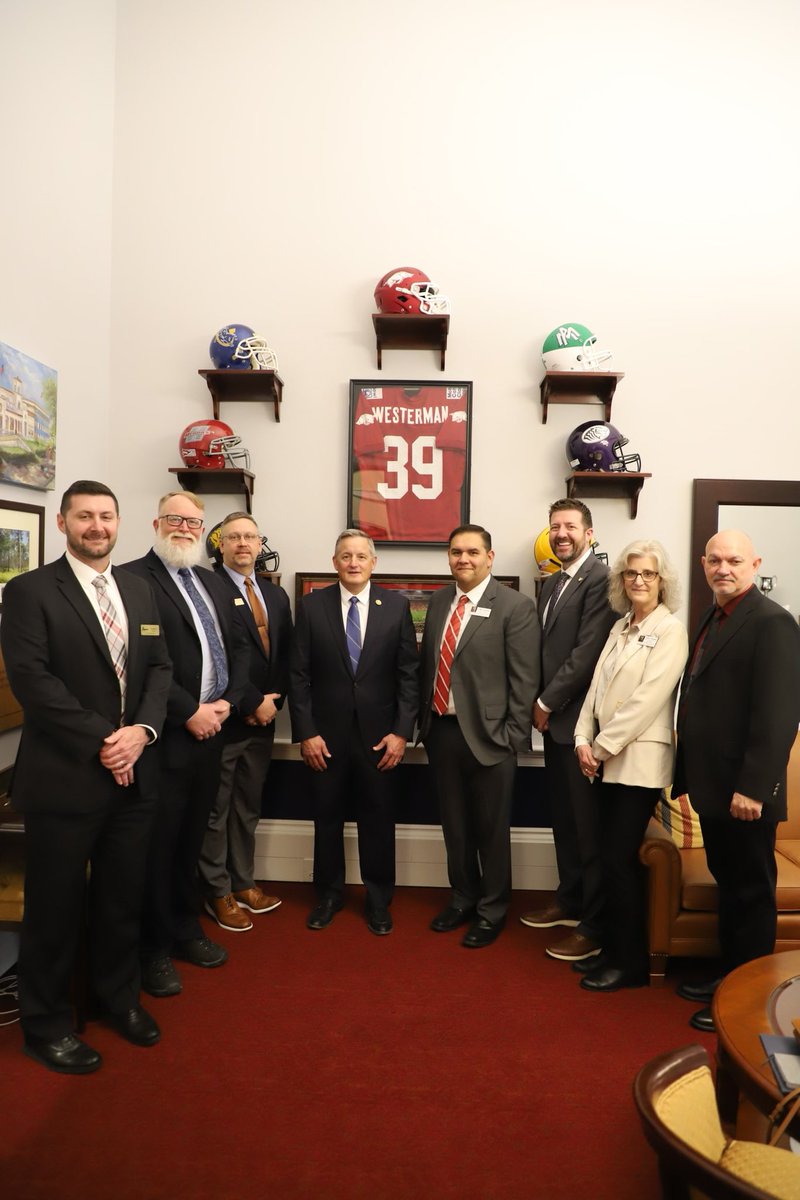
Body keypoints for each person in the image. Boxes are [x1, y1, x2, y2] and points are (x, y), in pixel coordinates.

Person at [0, 480, 172, 1073]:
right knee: (55, 907)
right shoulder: (28, 592)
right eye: (84, 517)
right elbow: (34, 684)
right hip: (66, 779)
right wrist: (107, 738)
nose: (96, 526)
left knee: (121, 899)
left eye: (106, 516)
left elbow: (160, 670)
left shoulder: (140, 589)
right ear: (64, 523)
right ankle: (45, 1024)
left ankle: (118, 999)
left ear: (119, 522)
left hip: (133, 776)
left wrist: (141, 734)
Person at [673, 529, 800, 1032]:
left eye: (734, 561)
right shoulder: (713, 614)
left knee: (751, 893)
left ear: (755, 564)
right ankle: (728, 978)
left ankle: (749, 997)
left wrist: (754, 787)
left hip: (745, 793)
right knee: (730, 887)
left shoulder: (772, 623)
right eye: (715, 560)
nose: (723, 569)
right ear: (703, 564)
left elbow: (777, 717)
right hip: (714, 788)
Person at [124, 491, 250, 997]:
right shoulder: (134, 579)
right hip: (164, 739)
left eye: (194, 522)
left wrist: (226, 703)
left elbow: (237, 647)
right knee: (158, 847)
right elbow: (144, 663)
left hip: (212, 733)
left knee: (191, 841)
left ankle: (184, 928)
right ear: (157, 522)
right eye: (175, 519)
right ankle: (152, 949)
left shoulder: (211, 580)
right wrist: (189, 712)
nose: (185, 528)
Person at [288, 529, 418, 934]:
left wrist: (401, 733)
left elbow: (408, 676)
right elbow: (298, 675)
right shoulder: (311, 607)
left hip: (380, 739)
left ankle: (379, 899)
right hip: (325, 739)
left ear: (373, 563)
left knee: (378, 819)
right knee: (326, 819)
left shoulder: (396, 607)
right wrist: (306, 732)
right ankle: (328, 895)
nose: (354, 563)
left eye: (361, 556)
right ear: (335, 562)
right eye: (346, 556)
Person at [573, 540, 687, 992]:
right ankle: (614, 950)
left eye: (649, 574)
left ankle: (631, 964)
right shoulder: (621, 625)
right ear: (621, 579)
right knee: (607, 857)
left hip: (637, 762)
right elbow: (596, 688)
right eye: (631, 573)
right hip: (603, 757)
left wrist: (598, 748)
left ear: (662, 581)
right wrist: (581, 737)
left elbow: (647, 700)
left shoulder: (671, 629)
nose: (639, 581)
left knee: (619, 860)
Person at [418, 524, 540, 948]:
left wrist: (511, 735)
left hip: (492, 737)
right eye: (455, 552)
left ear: (490, 557)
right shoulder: (436, 603)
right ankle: (462, 898)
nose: (463, 559)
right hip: (442, 732)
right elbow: (426, 669)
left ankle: (492, 910)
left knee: (490, 830)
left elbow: (525, 680)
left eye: (472, 552)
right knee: (455, 828)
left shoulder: (514, 606)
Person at [522, 500, 616, 962]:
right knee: (564, 822)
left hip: (580, 728)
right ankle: (570, 898)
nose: (561, 533)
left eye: (570, 526)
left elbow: (586, 653)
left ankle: (593, 923)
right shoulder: (555, 581)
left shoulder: (601, 580)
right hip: (555, 727)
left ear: (590, 534)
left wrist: (543, 702)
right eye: (555, 526)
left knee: (588, 829)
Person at [200, 510, 292, 931]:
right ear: (220, 544)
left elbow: (286, 657)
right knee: (216, 812)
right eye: (233, 537)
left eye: (250, 538)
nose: (242, 544)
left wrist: (273, 702)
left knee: (247, 808)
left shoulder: (275, 595)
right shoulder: (206, 588)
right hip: (225, 720)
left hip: (264, 722)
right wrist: (252, 701)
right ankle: (216, 890)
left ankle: (243, 883)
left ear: (259, 544)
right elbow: (226, 651)